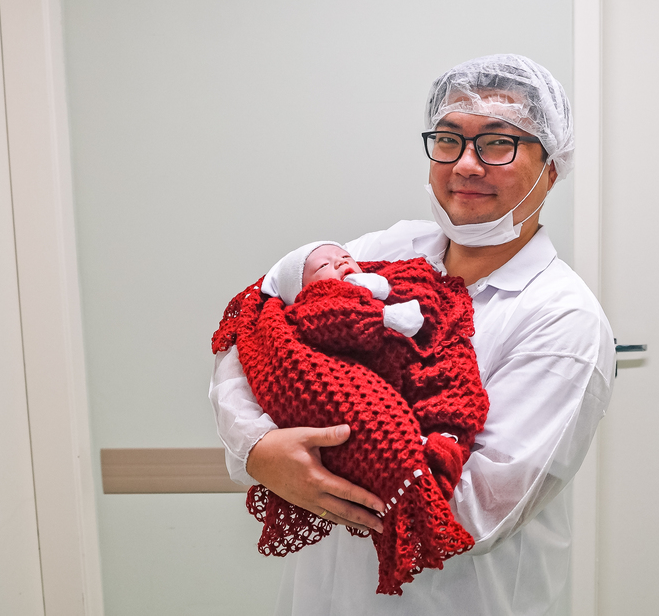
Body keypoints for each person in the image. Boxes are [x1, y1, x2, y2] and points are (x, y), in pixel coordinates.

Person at [210, 53, 615, 615]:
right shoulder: (383, 250)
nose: (466, 165)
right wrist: (257, 447)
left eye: (497, 143)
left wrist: (310, 463)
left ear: (551, 166)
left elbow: (472, 512)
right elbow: (254, 322)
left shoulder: (564, 320)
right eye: (448, 140)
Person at [211, 241, 488, 594]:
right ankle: (410, 460)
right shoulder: (367, 256)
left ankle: (432, 450)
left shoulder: (556, 312)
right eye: (324, 265)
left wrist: (385, 294)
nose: (342, 261)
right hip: (330, 578)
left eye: (344, 257)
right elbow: (239, 369)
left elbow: (488, 511)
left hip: (464, 592)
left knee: (450, 386)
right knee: (369, 411)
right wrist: (258, 448)